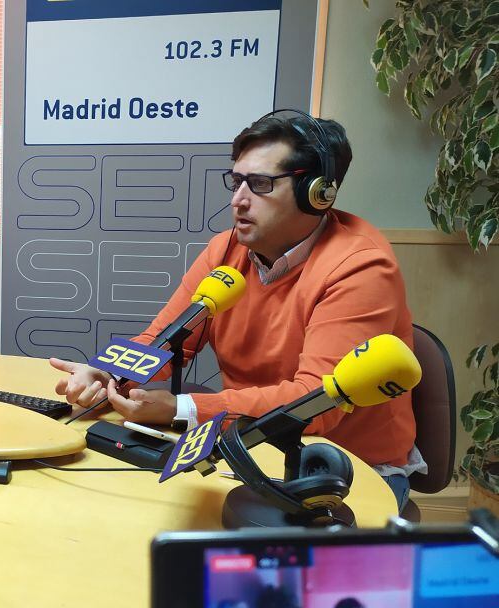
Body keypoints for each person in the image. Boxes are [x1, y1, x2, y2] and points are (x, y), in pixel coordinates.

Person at [50, 112, 422, 510]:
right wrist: (108, 374)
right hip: (248, 442)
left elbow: (316, 403)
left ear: (316, 193)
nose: (238, 200)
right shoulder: (226, 251)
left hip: (341, 467)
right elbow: (165, 341)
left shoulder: (361, 267)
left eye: (260, 184)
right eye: (237, 181)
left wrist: (184, 409)